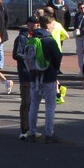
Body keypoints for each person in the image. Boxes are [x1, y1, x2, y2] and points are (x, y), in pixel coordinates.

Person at [24, 14, 63, 142]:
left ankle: (31, 132)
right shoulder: (49, 40)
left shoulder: (32, 38)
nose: (53, 27)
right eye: (52, 25)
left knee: (34, 104)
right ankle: (49, 133)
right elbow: (57, 57)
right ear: (48, 25)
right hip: (48, 76)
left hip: (34, 75)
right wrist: (55, 69)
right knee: (50, 106)